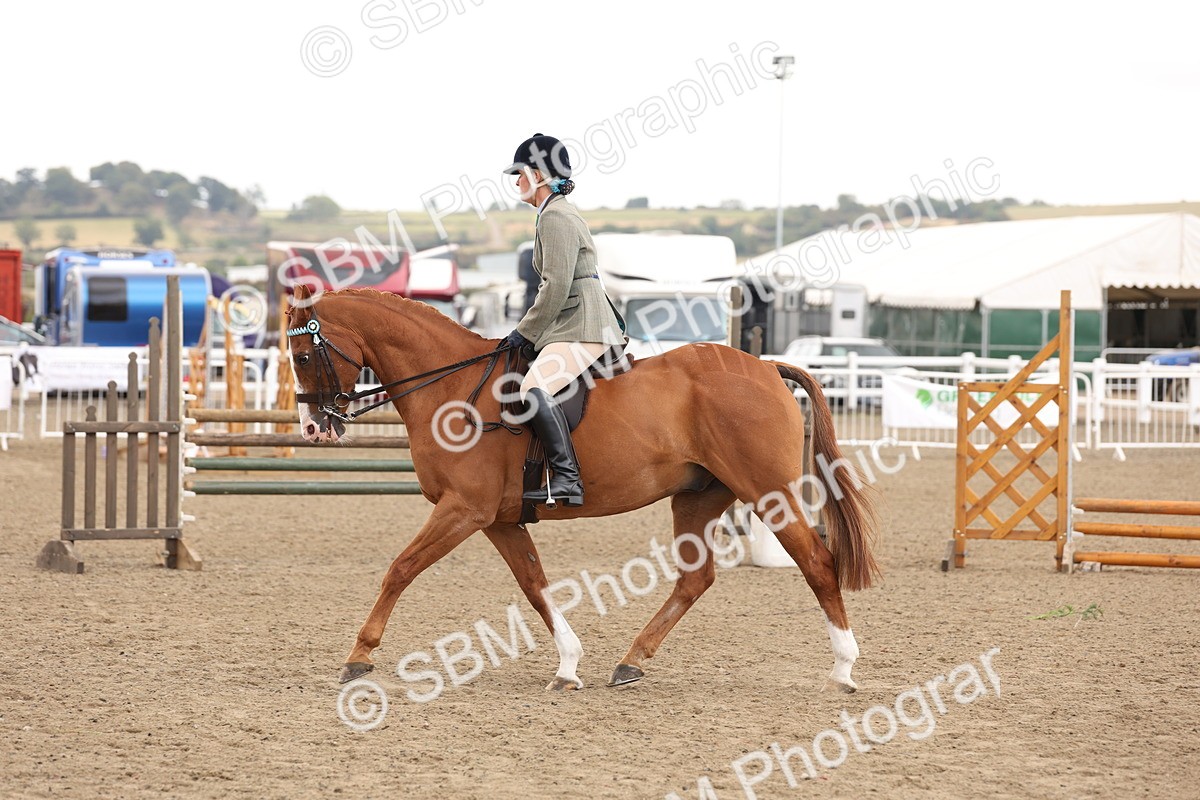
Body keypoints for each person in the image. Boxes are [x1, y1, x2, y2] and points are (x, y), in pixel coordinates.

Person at [500, 133, 626, 509]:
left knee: (532, 389)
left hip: (582, 323)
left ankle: (567, 480)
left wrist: (524, 333)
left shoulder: (555, 216)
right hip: (575, 321)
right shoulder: (553, 213)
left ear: (538, 174)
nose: (516, 181)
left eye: (519, 173)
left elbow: (554, 287)